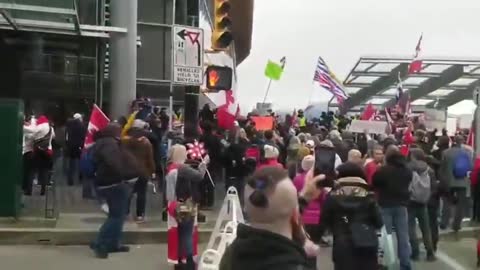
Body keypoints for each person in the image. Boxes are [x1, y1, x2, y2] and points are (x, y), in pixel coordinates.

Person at [219, 166, 314, 270]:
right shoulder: (296, 265)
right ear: (296, 214)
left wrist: (302, 200)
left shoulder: (231, 255)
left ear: (245, 208)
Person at [320, 162, 383, 270]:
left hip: (342, 245)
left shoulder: (332, 196)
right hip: (367, 243)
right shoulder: (369, 195)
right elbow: (378, 222)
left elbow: (324, 221)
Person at [91, 123, 140, 258]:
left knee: (117, 215)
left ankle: (113, 243)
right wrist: (125, 175)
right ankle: (100, 243)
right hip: (114, 183)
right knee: (116, 216)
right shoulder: (109, 144)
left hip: (107, 182)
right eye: (119, 131)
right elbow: (115, 163)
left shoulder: (104, 143)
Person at [165, 144, 207, 270]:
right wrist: (203, 165)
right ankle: (189, 261)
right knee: (187, 233)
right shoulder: (183, 168)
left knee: (177, 233)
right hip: (185, 205)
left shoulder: (170, 167)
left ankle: (179, 261)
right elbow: (199, 176)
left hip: (173, 204)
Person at [372, 146, 412, 270]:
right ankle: (405, 264)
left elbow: (374, 183)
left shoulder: (382, 170)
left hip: (385, 205)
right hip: (401, 205)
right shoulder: (406, 170)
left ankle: (384, 263)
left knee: (385, 236)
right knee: (403, 236)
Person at [407, 148, 436, 261]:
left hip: (410, 201)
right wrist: (427, 197)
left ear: (412, 156)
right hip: (423, 202)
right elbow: (434, 187)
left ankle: (415, 253)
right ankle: (430, 253)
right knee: (425, 228)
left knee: (411, 228)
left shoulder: (408, 168)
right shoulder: (429, 170)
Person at [122, 124, 156, 223]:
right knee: (142, 193)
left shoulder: (124, 142)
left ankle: (126, 213)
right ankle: (140, 215)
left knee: (128, 193)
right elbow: (150, 159)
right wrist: (152, 171)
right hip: (143, 171)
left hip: (128, 171)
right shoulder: (146, 143)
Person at [439, 135, 473, 234]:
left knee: (447, 202)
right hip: (462, 181)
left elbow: (442, 168)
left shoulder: (446, 152)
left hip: (449, 181)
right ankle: (456, 225)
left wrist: (442, 179)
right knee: (460, 204)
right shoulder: (466, 153)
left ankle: (444, 223)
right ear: (461, 142)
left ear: (453, 141)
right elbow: (470, 167)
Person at [65, 113, 86, 186]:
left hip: (70, 147)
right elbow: (83, 137)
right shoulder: (82, 126)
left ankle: (70, 180)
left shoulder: (68, 125)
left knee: (71, 165)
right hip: (78, 147)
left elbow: (66, 136)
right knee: (79, 164)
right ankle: (79, 179)